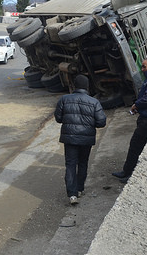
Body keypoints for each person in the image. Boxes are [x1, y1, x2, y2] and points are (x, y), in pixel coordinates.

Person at [55, 74, 107, 205]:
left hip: (70, 137)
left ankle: (72, 195)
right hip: (86, 139)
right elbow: (101, 122)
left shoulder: (64, 99)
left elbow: (58, 118)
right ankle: (79, 189)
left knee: (70, 164)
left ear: (74, 85)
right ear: (87, 87)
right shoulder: (94, 102)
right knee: (83, 163)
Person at [112, 57, 147, 183]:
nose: (142, 69)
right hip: (146, 117)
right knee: (136, 146)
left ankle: (130, 174)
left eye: (144, 66)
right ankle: (127, 171)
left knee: (136, 146)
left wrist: (137, 105)